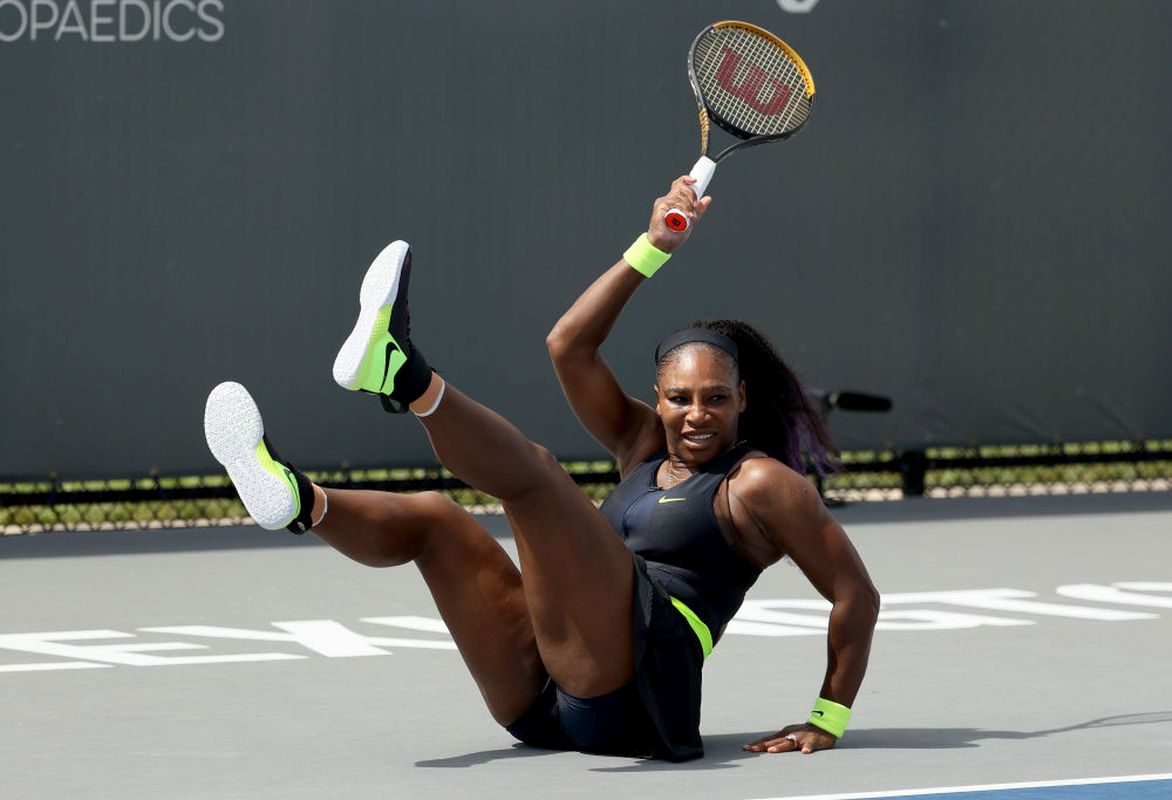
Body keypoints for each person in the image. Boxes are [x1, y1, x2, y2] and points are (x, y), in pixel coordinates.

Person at [204, 176, 879, 762]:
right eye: (678, 398)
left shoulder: (758, 483)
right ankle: (300, 502)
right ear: (659, 399)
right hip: (546, 700)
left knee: (537, 477)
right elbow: (568, 346)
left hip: (635, 696)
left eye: (715, 399)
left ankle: (402, 376)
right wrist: (654, 247)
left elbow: (856, 594)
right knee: (437, 521)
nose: (695, 414)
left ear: (742, 403)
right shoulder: (641, 443)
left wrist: (828, 719)